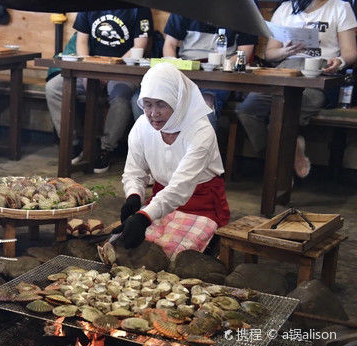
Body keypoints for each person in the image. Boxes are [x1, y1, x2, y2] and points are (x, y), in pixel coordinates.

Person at [236, 0, 357, 178]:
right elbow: (271, 52)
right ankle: (281, 160)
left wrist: (340, 61)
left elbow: (351, 51)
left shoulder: (340, 7)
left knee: (287, 112)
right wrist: (287, 51)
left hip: (322, 72)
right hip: (286, 70)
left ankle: (278, 175)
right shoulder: (285, 8)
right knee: (247, 110)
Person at [119, 63, 230, 249]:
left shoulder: (200, 130)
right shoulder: (141, 126)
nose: (153, 113)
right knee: (131, 245)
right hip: (160, 199)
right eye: (147, 104)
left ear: (177, 101)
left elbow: (181, 186)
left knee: (171, 253)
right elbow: (134, 171)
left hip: (201, 204)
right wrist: (134, 195)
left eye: (161, 104)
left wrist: (145, 217)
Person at [45, 8, 154, 173]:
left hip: (124, 69)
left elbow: (140, 46)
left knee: (121, 95)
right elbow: (81, 41)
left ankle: (106, 149)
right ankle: (73, 144)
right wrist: (86, 71)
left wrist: (110, 70)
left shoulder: (140, 8)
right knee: (53, 88)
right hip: (91, 66)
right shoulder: (90, 3)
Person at [131, 14, 258, 131]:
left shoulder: (242, 7)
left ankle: (199, 154)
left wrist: (221, 66)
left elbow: (245, 52)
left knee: (205, 108)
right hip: (184, 70)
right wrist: (174, 68)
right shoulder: (185, 5)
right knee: (141, 100)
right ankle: (154, 151)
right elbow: (169, 45)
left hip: (217, 76)